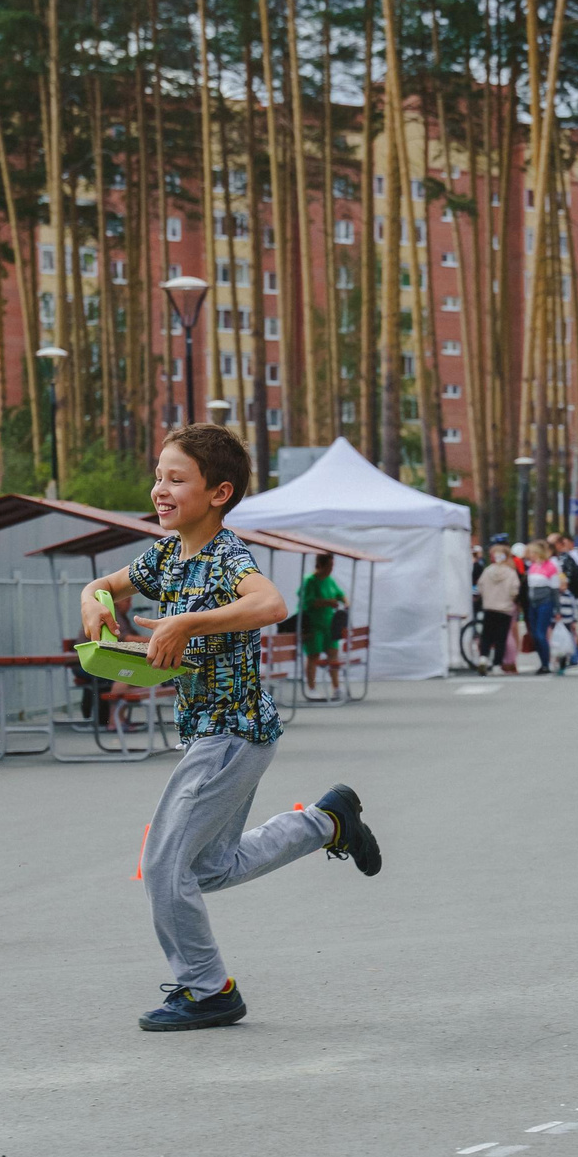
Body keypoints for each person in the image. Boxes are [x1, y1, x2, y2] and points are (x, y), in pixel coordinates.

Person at [77, 425, 382, 1033]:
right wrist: (94, 601)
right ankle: (326, 822)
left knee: (164, 865)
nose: (160, 489)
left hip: (230, 731)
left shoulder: (226, 555)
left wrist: (187, 622)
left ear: (218, 494)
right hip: (214, 734)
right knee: (208, 868)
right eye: (159, 476)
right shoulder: (165, 556)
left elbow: (272, 605)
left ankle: (208, 988)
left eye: (176, 479)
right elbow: (104, 585)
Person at [298, 552, 347, 698]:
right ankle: (311, 687)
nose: (331, 569)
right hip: (313, 624)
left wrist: (346, 602)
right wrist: (328, 602)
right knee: (314, 655)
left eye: (332, 566)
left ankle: (336, 687)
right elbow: (308, 602)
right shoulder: (310, 580)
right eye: (329, 566)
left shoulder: (329, 580)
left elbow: (339, 594)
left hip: (329, 624)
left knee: (333, 653)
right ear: (321, 565)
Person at [476, 544, 521, 675]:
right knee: (501, 638)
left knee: (486, 636)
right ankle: (497, 664)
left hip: (489, 607)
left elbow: (480, 587)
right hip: (505, 609)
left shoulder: (487, 571)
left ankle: (483, 658)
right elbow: (514, 590)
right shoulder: (511, 573)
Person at [525, 540, 566, 674]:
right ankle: (542, 662)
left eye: (531, 552)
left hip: (545, 603)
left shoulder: (550, 567)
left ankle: (546, 663)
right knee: (535, 635)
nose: (529, 555)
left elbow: (555, 591)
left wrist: (557, 610)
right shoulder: (532, 567)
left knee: (540, 634)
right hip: (533, 603)